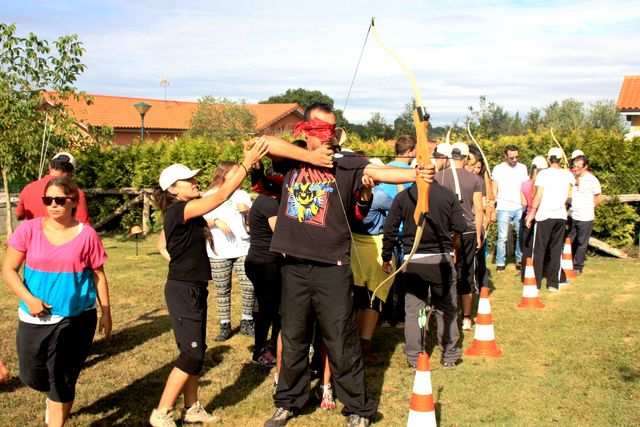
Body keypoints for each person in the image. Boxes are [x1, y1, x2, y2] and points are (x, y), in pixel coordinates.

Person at [262, 103, 434, 427]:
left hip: (333, 267)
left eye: (333, 131)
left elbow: (378, 172)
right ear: (306, 131)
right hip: (294, 265)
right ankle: (289, 401)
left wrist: (416, 173)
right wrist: (310, 159)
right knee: (295, 337)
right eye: (321, 131)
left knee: (342, 339)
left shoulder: (346, 162)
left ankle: (358, 408)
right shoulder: (292, 156)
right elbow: (259, 144)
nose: (329, 138)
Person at [148, 138, 268, 427]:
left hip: (194, 287)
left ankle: (192, 408)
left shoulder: (186, 209)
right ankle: (161, 413)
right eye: (187, 180)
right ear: (173, 189)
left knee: (195, 350)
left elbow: (219, 195)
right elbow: (222, 194)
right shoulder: (179, 210)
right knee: (191, 353)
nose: (193, 182)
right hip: (183, 289)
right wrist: (247, 163)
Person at [2, 176, 111, 427]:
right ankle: (54, 399)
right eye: (48, 200)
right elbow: (8, 269)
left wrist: (106, 312)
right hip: (34, 316)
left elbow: (98, 275)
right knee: (32, 376)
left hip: (77, 316)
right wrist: (29, 299)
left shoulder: (87, 235)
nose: (53, 205)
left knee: (62, 377)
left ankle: (57, 413)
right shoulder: (29, 230)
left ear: (73, 202)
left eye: (60, 200)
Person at [382, 179, 466, 369]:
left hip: (414, 261)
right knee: (446, 309)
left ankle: (414, 357)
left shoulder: (403, 196)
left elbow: (390, 229)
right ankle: (449, 355)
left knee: (414, 311)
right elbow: (460, 225)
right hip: (440, 260)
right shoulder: (447, 194)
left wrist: (387, 256)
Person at [203, 162, 255, 342]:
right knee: (222, 289)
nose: (240, 176)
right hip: (219, 251)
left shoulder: (242, 194)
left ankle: (247, 321)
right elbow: (200, 220)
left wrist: (249, 211)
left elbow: (252, 221)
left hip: (243, 247)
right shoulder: (210, 195)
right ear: (224, 175)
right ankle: (225, 325)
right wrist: (216, 221)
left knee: (249, 284)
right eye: (235, 173)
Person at [435, 142, 483, 331]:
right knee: (465, 273)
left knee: (445, 272)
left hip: (445, 231)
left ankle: (445, 313)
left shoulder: (439, 177)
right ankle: (466, 317)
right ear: (465, 158)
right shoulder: (473, 179)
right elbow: (478, 209)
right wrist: (478, 234)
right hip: (467, 231)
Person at [245, 163, 285, 367]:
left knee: (273, 307)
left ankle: (274, 346)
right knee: (268, 309)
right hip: (265, 262)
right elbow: (280, 234)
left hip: (263, 261)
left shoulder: (268, 200)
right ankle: (261, 350)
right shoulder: (269, 203)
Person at [525, 148, 575, 292]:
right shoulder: (567, 174)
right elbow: (570, 194)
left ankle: (536, 282)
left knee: (539, 250)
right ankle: (553, 283)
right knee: (555, 250)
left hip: (544, 216)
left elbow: (538, 195)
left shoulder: (543, 174)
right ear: (560, 160)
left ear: (548, 159)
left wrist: (531, 214)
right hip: (560, 216)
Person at [16, 152, 90, 223]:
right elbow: (83, 224)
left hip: (33, 235)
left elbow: (19, 215)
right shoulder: (74, 192)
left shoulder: (28, 188)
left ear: (49, 166)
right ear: (71, 173)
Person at [492, 145, 529, 271]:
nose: (514, 160)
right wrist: (493, 206)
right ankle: (500, 262)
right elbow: (494, 188)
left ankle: (520, 260)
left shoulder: (523, 168)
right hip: (503, 207)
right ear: (505, 157)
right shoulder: (498, 169)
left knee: (521, 235)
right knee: (502, 237)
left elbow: (525, 187)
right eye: (511, 158)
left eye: (516, 157)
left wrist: (526, 203)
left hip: (520, 207)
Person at [568, 155, 603, 275]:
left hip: (586, 217)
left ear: (585, 167)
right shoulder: (571, 177)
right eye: (574, 166)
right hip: (572, 215)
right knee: (568, 241)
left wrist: (590, 207)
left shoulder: (592, 180)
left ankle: (577, 266)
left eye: (578, 167)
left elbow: (599, 197)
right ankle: (566, 263)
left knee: (582, 243)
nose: (575, 169)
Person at [519, 156, 548, 281]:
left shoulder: (524, 184)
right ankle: (540, 273)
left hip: (527, 217)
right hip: (541, 217)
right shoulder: (543, 184)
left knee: (527, 248)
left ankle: (525, 274)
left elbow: (523, 203)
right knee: (541, 248)